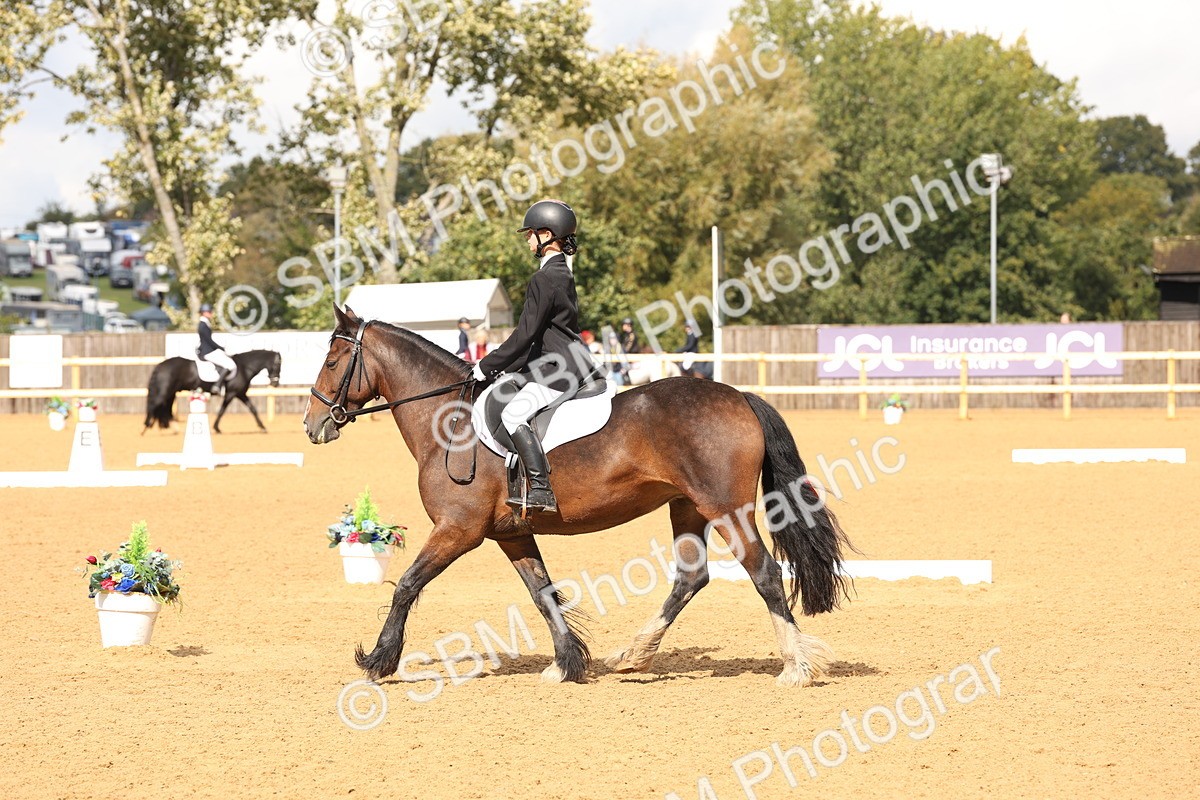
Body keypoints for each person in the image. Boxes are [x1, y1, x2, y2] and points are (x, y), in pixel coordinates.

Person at [472, 199, 598, 513]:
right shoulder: (560, 273)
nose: (528, 239)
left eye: (531, 233)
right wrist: (508, 369)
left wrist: (485, 366)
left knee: (513, 415)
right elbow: (541, 335)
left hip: (560, 368)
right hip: (559, 361)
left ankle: (541, 489)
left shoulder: (545, 278)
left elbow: (525, 334)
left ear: (547, 233)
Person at [197, 303, 236, 393]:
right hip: (207, 352)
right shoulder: (203, 325)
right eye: (209, 311)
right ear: (204, 313)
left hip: (208, 350)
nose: (211, 313)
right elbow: (209, 341)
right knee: (229, 365)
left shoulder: (205, 323)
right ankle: (217, 385)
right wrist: (221, 348)